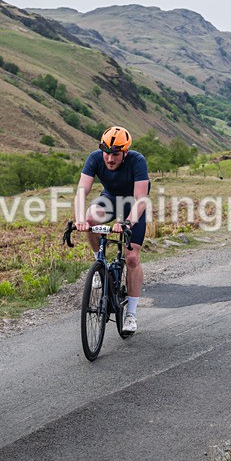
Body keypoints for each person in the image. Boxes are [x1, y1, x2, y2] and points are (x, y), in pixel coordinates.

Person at [74, 126, 149, 334]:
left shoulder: (137, 161)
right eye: (106, 153)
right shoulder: (95, 158)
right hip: (108, 199)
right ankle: (99, 262)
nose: (109, 159)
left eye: (115, 154)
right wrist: (80, 219)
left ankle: (131, 314)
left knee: (132, 258)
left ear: (125, 152)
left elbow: (141, 199)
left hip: (132, 205)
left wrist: (127, 222)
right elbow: (82, 191)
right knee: (90, 218)